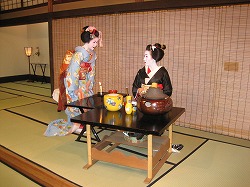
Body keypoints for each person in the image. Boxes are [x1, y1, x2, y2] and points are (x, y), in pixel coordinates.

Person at [44, 25, 103, 136]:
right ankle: (78, 124)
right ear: (87, 40)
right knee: (77, 103)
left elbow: (92, 69)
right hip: (76, 83)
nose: (95, 45)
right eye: (94, 42)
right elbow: (73, 71)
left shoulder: (92, 54)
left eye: (96, 42)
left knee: (87, 101)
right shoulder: (79, 54)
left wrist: (90, 81)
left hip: (85, 82)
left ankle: (84, 122)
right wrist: (74, 88)